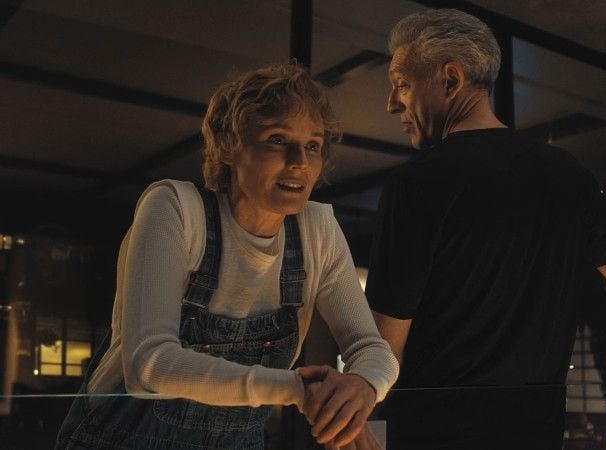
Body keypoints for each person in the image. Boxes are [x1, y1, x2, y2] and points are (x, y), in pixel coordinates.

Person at [364, 9, 606, 449]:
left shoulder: (417, 183)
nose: (391, 103)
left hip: (433, 433)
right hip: (537, 432)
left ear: (451, 79)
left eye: (401, 84)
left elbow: (384, 346)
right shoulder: (569, 175)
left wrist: (360, 421)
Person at [56, 62, 398, 449]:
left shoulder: (317, 230)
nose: (300, 161)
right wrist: (300, 390)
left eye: (313, 145)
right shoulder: (176, 209)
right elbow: (150, 364)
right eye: (277, 139)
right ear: (228, 147)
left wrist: (362, 387)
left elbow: (371, 348)